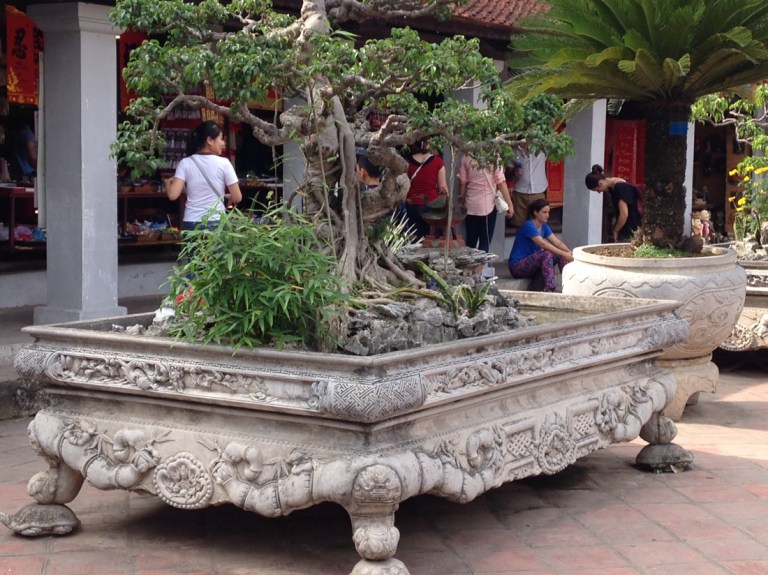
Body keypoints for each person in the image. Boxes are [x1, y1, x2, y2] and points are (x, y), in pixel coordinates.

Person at [165, 120, 242, 232]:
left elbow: (172, 195)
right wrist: (228, 198)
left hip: (191, 223)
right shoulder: (224, 163)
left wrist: (168, 183)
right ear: (209, 140)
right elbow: (237, 197)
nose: (223, 143)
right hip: (216, 223)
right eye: (221, 139)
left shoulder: (185, 163)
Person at [508, 198, 572, 292]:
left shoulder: (544, 226)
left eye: (548, 212)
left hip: (533, 264)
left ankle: (569, 285)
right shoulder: (528, 225)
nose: (547, 215)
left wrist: (568, 252)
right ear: (535, 213)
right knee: (547, 254)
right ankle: (550, 288)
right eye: (544, 212)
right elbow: (543, 244)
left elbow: (558, 243)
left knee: (560, 255)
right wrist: (564, 253)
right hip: (517, 266)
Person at [457, 154, 514, 252]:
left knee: (471, 240)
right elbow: (501, 182)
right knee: (485, 242)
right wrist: (510, 204)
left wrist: (461, 202)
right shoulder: (494, 156)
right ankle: (481, 263)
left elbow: (463, 182)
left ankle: (470, 262)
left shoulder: (466, 155)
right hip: (487, 206)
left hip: (470, 205)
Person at [403, 138, 448, 239]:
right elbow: (443, 187)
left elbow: (404, 187)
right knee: (431, 240)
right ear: (428, 145)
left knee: (413, 239)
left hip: (412, 205)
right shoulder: (438, 161)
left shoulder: (407, 162)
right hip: (432, 207)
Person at [584, 164, 641, 242]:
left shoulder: (620, 187)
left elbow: (624, 214)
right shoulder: (614, 186)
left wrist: (616, 230)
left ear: (600, 184)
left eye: (597, 190)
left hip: (630, 230)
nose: (599, 192)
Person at [510, 144, 548, 228]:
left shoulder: (543, 147)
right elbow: (508, 171)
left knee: (537, 225)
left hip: (538, 192)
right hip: (519, 192)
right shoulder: (514, 150)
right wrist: (514, 171)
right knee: (519, 226)